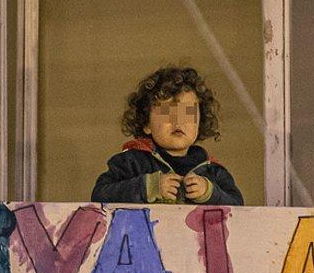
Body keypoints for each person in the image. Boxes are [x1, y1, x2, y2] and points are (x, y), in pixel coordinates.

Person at [92, 66, 243, 205]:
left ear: (200, 123)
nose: (178, 121)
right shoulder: (131, 162)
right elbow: (99, 195)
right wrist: (148, 187)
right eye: (168, 114)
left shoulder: (213, 171)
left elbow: (239, 208)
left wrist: (210, 193)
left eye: (188, 114)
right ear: (146, 124)